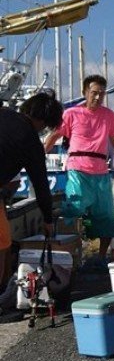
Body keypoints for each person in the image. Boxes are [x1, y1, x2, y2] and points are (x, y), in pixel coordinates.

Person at [43, 75, 114, 267]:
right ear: (85, 92)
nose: (98, 97)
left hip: (101, 170)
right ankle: (66, 252)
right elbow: (54, 135)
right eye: (94, 93)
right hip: (77, 167)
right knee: (75, 208)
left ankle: (101, 257)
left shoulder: (109, 115)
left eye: (102, 94)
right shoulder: (71, 114)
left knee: (105, 217)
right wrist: (40, 155)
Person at [0, 93, 63, 284]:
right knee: (3, 245)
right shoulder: (31, 142)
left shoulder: (3, 113)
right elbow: (41, 184)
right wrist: (47, 219)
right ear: (43, 121)